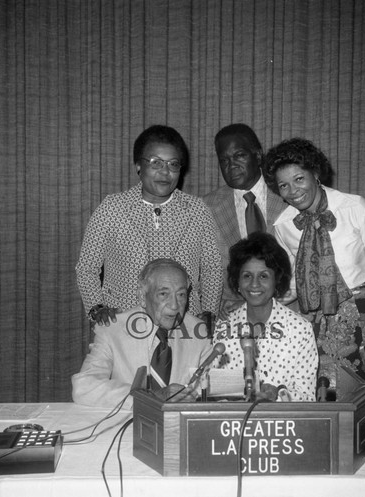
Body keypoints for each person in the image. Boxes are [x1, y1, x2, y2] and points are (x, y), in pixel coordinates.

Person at [262, 137, 365, 401]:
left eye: (299, 179)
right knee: (326, 407)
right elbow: (299, 280)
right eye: (283, 185)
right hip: (319, 326)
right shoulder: (283, 225)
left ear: (315, 173)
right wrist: (264, 301)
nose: (293, 191)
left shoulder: (354, 207)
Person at [76, 124, 222, 325]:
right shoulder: (112, 208)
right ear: (138, 165)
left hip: (184, 324)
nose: (165, 172)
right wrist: (96, 308)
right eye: (156, 163)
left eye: (173, 164)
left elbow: (211, 267)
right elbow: (86, 268)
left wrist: (209, 312)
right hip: (125, 324)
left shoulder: (196, 210)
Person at [72, 259, 213, 408]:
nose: (174, 305)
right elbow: (84, 387)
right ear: (142, 296)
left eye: (181, 295)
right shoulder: (112, 330)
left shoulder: (200, 332)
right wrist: (149, 397)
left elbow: (216, 388)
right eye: (163, 294)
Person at [212, 232, 318, 402]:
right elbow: (216, 391)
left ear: (277, 280)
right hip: (235, 423)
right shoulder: (225, 325)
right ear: (237, 281)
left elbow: (307, 398)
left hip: (283, 425)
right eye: (247, 276)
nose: (254, 284)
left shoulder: (300, 329)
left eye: (263, 276)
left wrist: (278, 394)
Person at [203, 124, 287, 318]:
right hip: (230, 317)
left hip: (287, 315)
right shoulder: (206, 208)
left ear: (258, 156)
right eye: (224, 160)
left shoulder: (287, 196)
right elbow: (205, 271)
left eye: (239, 155)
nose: (231, 165)